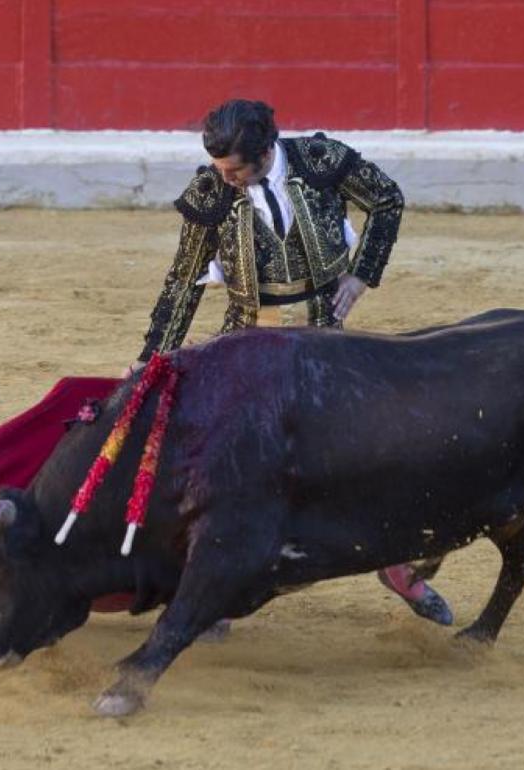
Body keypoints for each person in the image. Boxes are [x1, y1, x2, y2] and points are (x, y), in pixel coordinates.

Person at [131, 99, 452, 626]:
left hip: (324, 343)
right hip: (245, 344)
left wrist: (362, 274)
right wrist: (151, 360)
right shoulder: (211, 191)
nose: (226, 178)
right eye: (219, 168)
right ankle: (213, 590)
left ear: (263, 153)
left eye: (235, 169)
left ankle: (396, 567)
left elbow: (387, 199)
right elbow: (183, 280)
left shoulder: (320, 161)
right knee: (228, 468)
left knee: (358, 457)